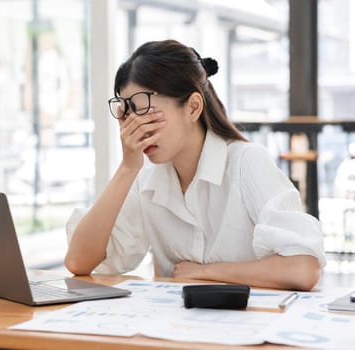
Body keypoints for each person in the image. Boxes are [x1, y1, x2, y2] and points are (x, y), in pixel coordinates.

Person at [64, 39, 326, 291]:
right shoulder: (146, 177)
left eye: (146, 112)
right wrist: (127, 168)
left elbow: (303, 269)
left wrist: (204, 272)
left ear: (192, 107)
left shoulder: (246, 162)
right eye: (129, 114)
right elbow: (79, 262)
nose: (137, 128)